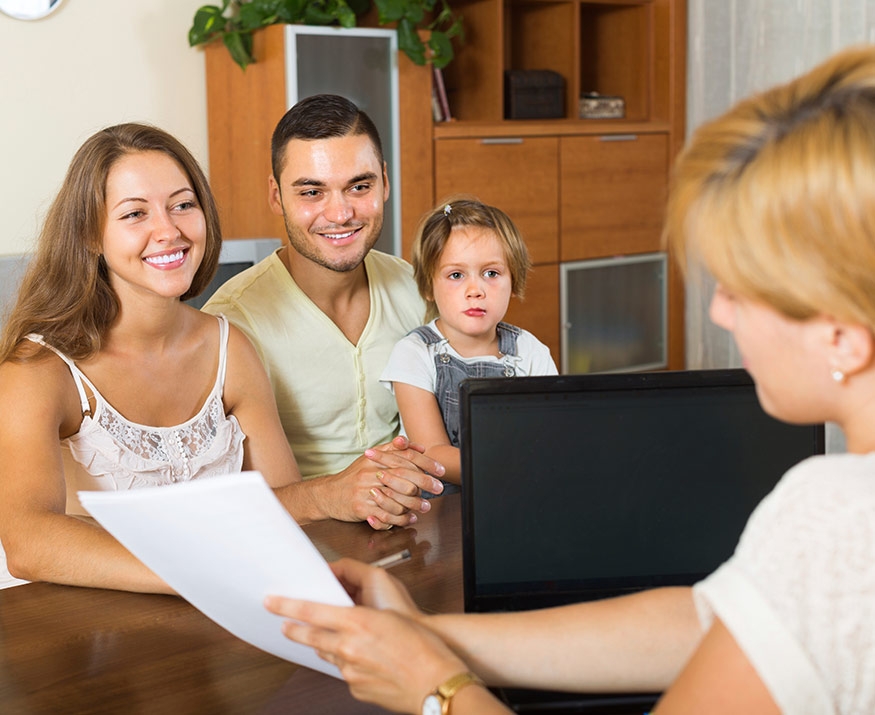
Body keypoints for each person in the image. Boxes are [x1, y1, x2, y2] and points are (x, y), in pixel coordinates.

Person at [264, 45, 875, 713]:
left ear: (842, 334)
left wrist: (434, 687)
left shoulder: (837, 517)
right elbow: (713, 618)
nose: (716, 309)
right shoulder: (840, 497)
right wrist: (428, 633)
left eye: (742, 287)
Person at [0, 123, 435, 592]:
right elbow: (28, 542)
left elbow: (280, 504)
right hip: (68, 625)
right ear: (90, 234)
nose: (168, 230)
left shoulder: (230, 345)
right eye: (134, 214)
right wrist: (210, 572)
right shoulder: (38, 370)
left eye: (183, 205)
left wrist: (335, 493)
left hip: (214, 613)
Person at [203, 94, 444, 528]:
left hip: (421, 525)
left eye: (360, 186)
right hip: (303, 541)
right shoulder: (233, 322)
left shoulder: (416, 288)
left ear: (385, 183)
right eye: (312, 192)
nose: (341, 213)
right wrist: (330, 495)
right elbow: (223, 499)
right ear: (276, 197)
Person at [380, 196, 557, 490]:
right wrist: (511, 470)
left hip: (521, 499)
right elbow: (432, 452)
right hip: (440, 512)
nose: (475, 290)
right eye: (456, 275)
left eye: (491, 273)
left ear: (514, 280)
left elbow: (551, 436)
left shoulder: (530, 351)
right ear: (428, 286)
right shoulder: (414, 353)